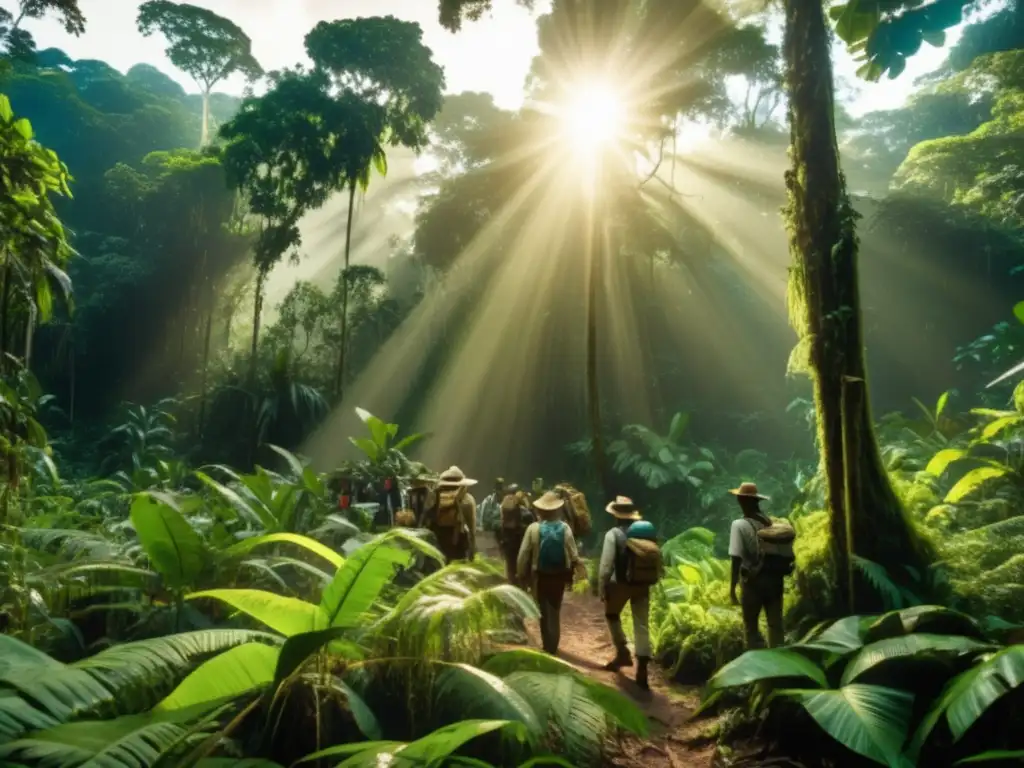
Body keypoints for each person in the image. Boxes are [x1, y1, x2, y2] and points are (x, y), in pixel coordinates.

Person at [598, 496, 661, 690]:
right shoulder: (644, 536)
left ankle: (622, 652)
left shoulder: (613, 534)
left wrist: (602, 586)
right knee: (641, 624)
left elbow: (606, 565)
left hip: (620, 584)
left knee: (612, 614)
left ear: (615, 515)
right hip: (642, 584)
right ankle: (642, 667)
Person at [517, 490, 581, 655]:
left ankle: (548, 645)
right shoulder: (565, 528)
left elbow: (523, 553)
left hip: (540, 575)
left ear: (541, 510)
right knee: (555, 607)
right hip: (559, 575)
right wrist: (576, 571)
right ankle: (554, 643)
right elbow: (573, 554)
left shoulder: (533, 528)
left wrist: (520, 574)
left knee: (543, 610)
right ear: (557, 510)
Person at [728, 481, 790, 649]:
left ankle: (756, 666)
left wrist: (732, 587)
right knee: (775, 626)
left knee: (751, 628)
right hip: (775, 580)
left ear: (742, 501)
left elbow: (736, 558)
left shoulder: (738, 525)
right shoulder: (769, 522)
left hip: (753, 583)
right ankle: (780, 663)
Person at [421, 466, 477, 562]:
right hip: (457, 542)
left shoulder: (433, 497)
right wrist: (472, 549)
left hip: (437, 541)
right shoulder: (467, 499)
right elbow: (471, 527)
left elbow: (426, 519)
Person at [497, 484, 535, 586]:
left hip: (511, 545)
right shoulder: (526, 513)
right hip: (519, 545)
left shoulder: (503, 512)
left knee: (512, 569)